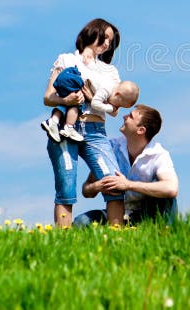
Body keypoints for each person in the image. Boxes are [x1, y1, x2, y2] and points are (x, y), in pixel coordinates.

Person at [43, 18, 128, 228]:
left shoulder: (110, 72)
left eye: (111, 41)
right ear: (92, 32)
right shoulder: (65, 59)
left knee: (113, 183)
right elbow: (48, 97)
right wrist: (67, 101)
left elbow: (116, 109)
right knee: (66, 186)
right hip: (65, 129)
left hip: (95, 131)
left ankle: (118, 237)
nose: (107, 43)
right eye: (105, 36)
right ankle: (63, 242)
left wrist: (91, 98)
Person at [75, 104, 179, 226]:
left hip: (147, 213)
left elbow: (171, 188)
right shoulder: (111, 148)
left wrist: (128, 185)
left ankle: (163, 234)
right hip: (117, 215)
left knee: (164, 193)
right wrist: (98, 186)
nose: (124, 116)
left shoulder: (158, 154)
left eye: (130, 116)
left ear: (141, 130)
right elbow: (86, 190)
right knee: (80, 222)